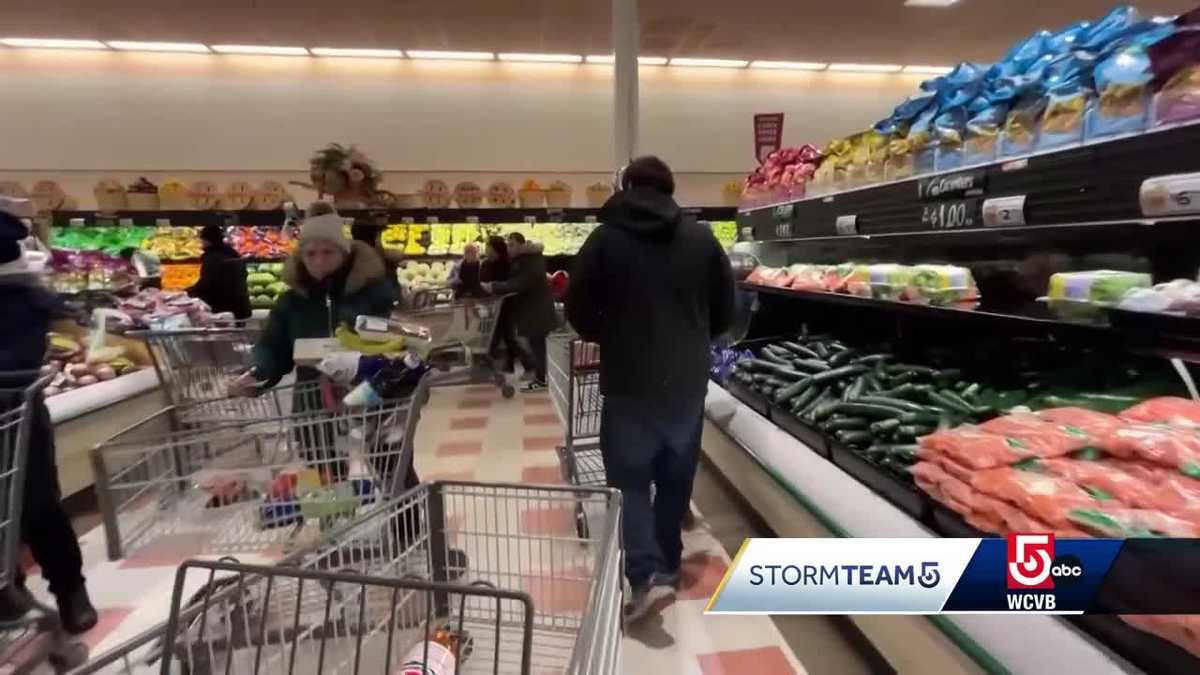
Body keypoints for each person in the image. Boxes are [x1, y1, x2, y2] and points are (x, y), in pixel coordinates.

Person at [565, 155, 735, 621]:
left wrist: (610, 334)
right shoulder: (701, 239)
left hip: (628, 380)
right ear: (671, 186)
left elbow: (576, 308)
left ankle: (646, 577)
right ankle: (668, 564)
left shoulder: (605, 239)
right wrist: (697, 337)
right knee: (676, 476)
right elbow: (727, 308)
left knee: (631, 479)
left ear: (627, 187)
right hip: (685, 381)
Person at [0, 196, 97, 634]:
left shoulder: (21, 298)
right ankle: (9, 589)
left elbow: (10, 238)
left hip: (14, 408)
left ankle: (70, 590)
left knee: (38, 504)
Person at [483, 232, 558, 391]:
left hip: (537, 310)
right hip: (533, 309)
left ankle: (540, 379)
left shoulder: (531, 261)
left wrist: (492, 286)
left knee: (536, 346)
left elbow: (519, 284)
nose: (508, 248)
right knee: (535, 345)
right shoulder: (525, 259)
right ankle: (540, 378)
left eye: (511, 245)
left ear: (521, 245)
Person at [187, 224, 251, 320]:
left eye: (202, 239)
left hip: (221, 307)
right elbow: (243, 273)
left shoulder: (212, 257)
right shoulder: (231, 252)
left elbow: (207, 283)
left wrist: (188, 292)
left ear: (207, 240)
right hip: (240, 304)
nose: (201, 242)